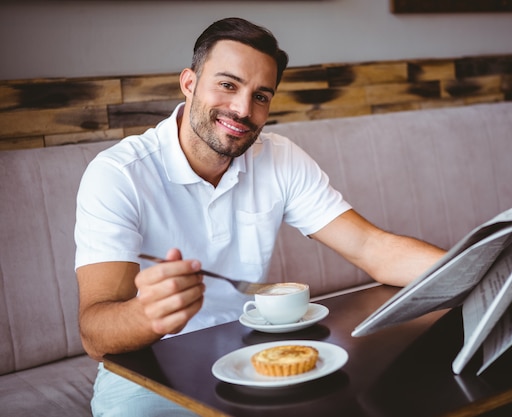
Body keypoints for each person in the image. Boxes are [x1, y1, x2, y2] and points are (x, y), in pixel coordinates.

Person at [75, 17, 445, 416]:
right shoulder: (118, 174)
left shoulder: (278, 157)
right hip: (144, 375)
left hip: (249, 360)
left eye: (261, 96)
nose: (242, 109)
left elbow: (372, 248)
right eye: (228, 85)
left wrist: (480, 271)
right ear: (189, 82)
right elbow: (94, 334)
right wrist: (146, 316)